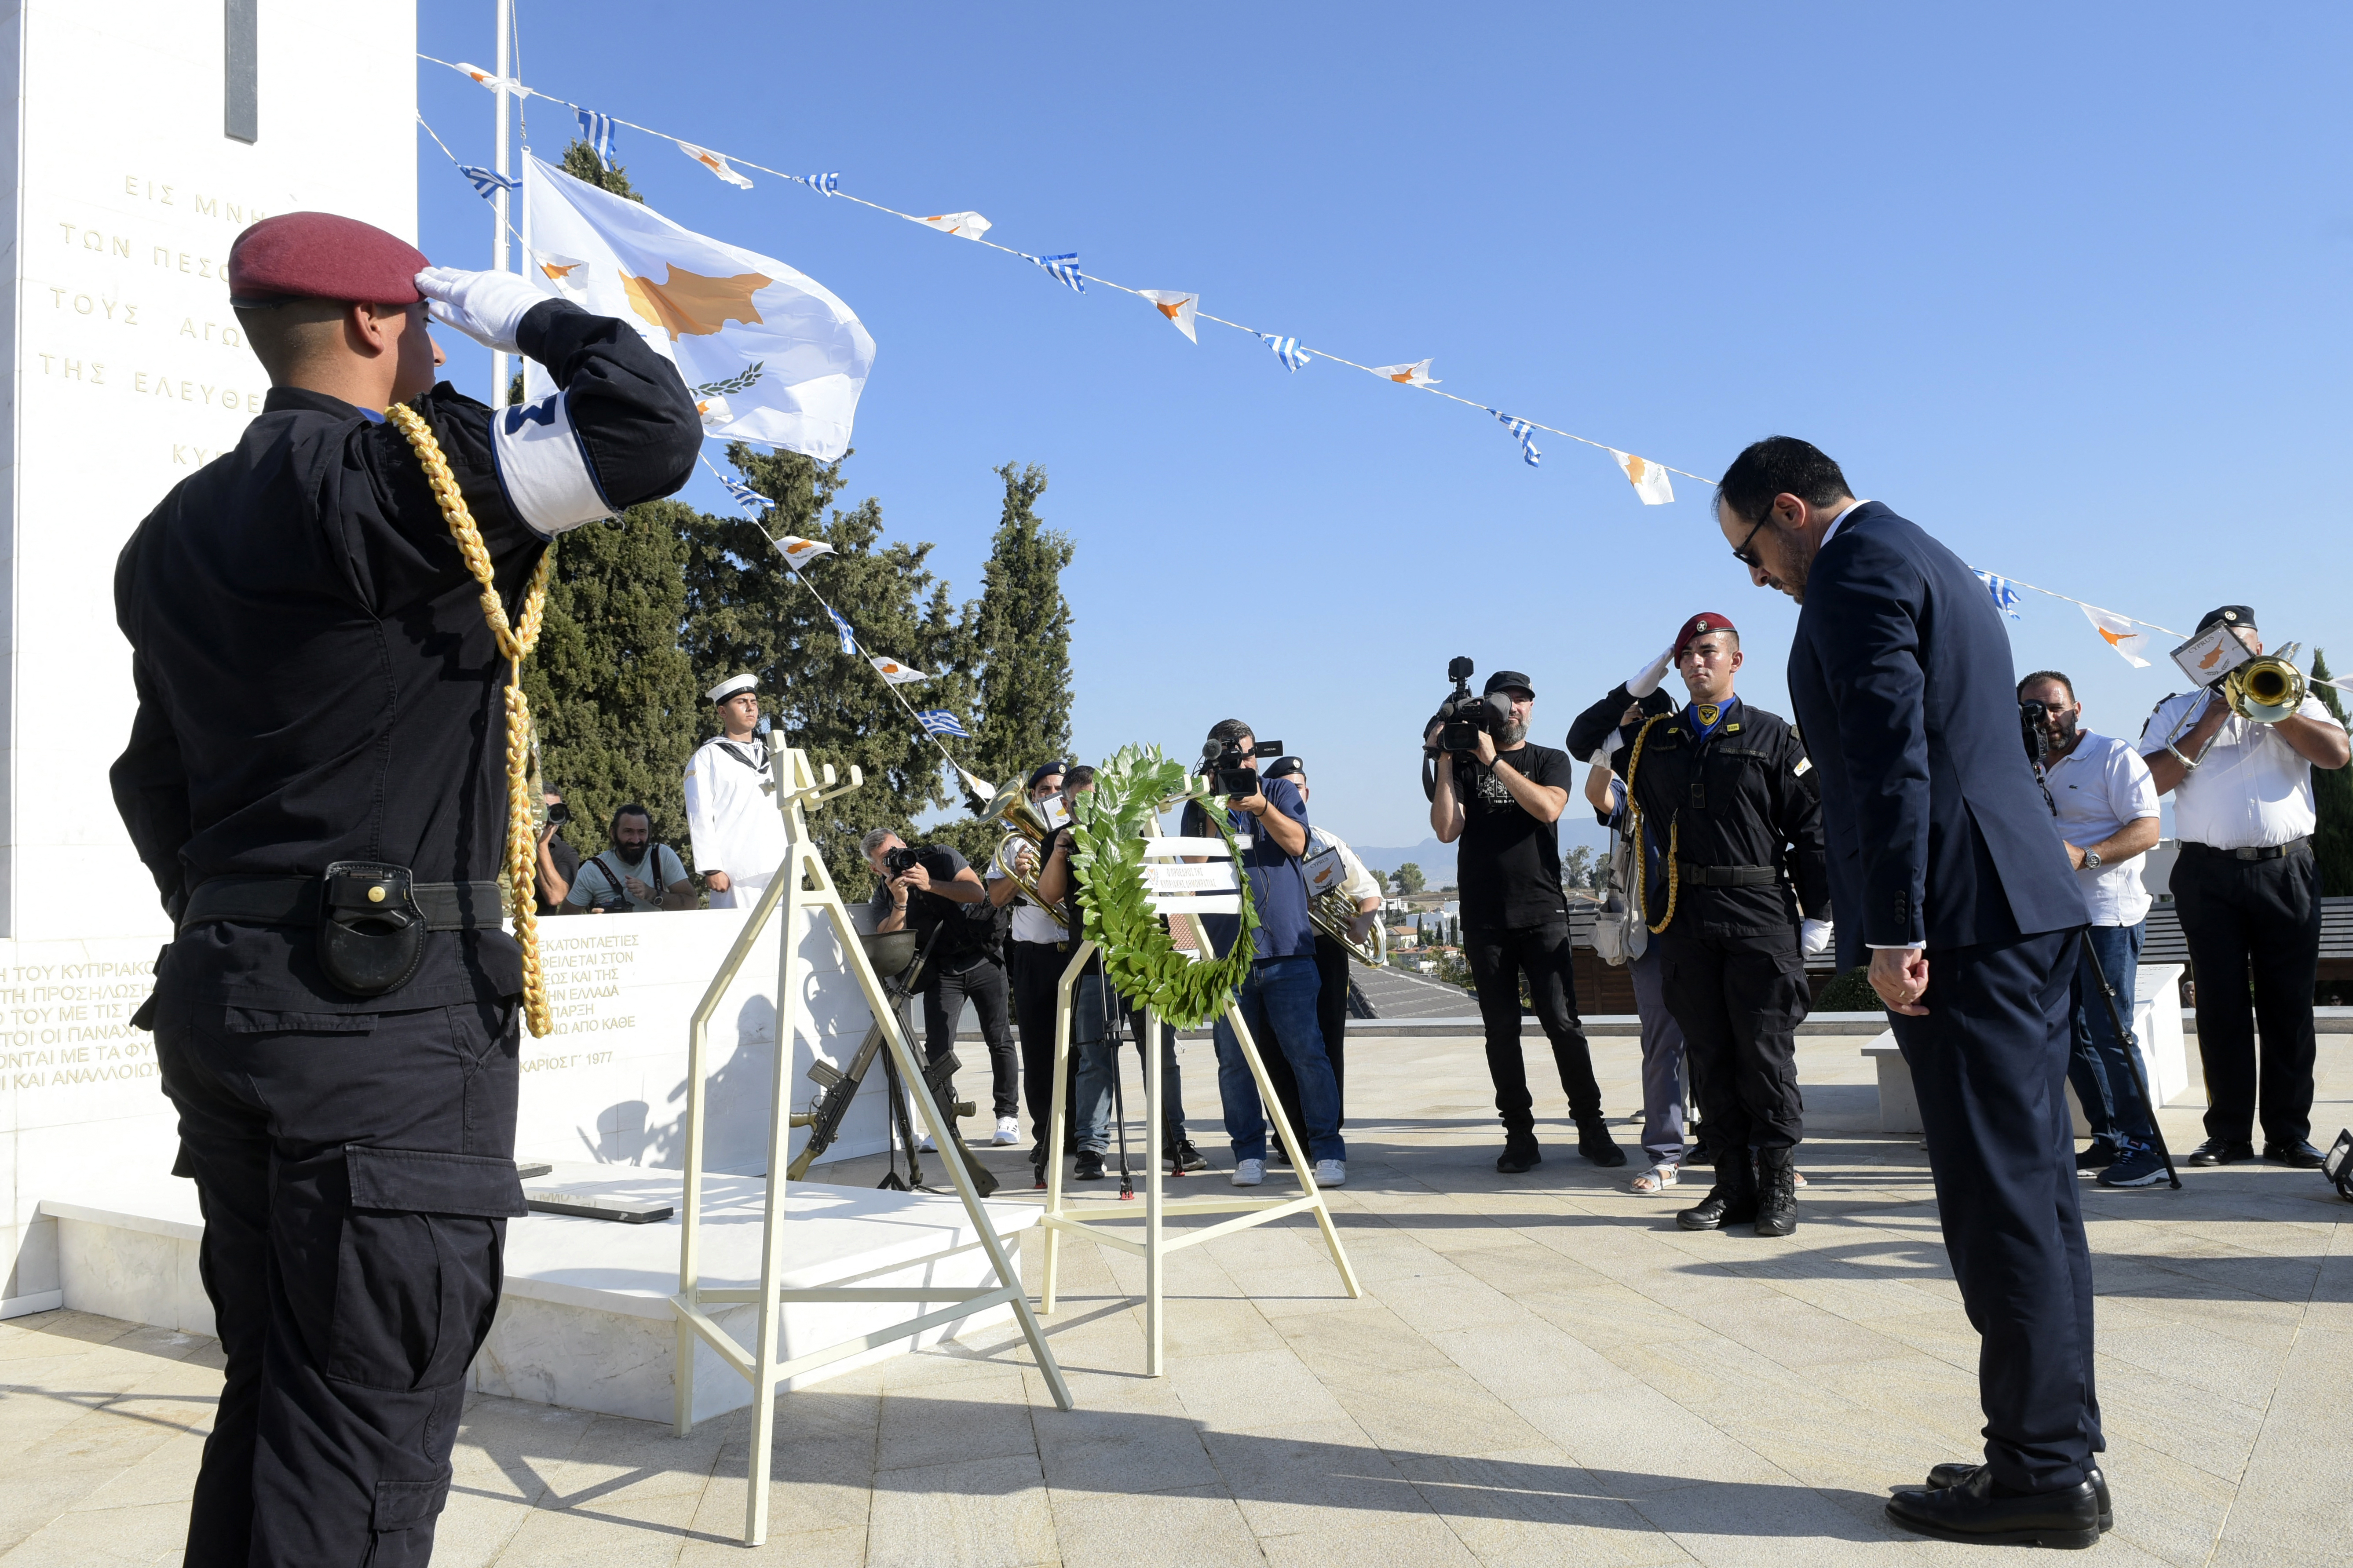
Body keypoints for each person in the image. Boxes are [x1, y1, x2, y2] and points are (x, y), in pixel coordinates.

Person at [110, 212, 699, 1565]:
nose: (442, 353)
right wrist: (524, 313)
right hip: (376, 1027)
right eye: (424, 323)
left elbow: (154, 781)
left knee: (275, 1403)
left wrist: (247, 924)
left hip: (231, 998)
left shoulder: (171, 535)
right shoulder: (396, 486)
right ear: (377, 323)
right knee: (366, 1432)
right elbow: (648, 430)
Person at [1722, 436, 2106, 1546]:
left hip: (1961, 917)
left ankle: (2040, 1469)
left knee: (1997, 1202)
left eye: (1751, 550)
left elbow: (1893, 755)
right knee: (2033, 1193)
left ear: (1789, 510)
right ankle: (2052, 1447)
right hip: (2015, 899)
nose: (1755, 577)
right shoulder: (1924, 550)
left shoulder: (1853, 568)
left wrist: (1891, 930)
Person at [1608, 615, 1829, 1236]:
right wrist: (1638, 682)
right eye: (1684, 656)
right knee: (1708, 1057)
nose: (1695, 664)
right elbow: (1585, 740)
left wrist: (1819, 913)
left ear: (1735, 661)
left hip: (1758, 911)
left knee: (1764, 1054)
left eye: (1707, 652)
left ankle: (1777, 1183)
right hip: (1684, 917)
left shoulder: (1774, 735)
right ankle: (1730, 1186)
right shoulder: (1656, 740)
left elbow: (1812, 828)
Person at [2138, 606, 2349, 1169]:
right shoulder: (2175, 710)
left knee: (2288, 1006)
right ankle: (2227, 1133)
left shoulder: (2294, 696)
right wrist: (2211, 716)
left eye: (2252, 648)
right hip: (2207, 874)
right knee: (2220, 1005)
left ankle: (2288, 1133)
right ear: (2210, 655)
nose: (2247, 659)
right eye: (2232, 650)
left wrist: (2272, 707)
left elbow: (2336, 754)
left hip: (2287, 870)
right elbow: (2145, 785)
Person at [1426, 671, 1622, 1173]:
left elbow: (1548, 807)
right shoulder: (1463, 765)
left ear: (1531, 709)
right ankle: (1519, 1135)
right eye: (1505, 701)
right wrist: (1447, 759)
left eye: (1521, 701)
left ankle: (1591, 1128)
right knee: (1500, 1030)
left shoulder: (1548, 760)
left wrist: (1492, 759)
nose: (1514, 709)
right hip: (1484, 917)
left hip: (1542, 913)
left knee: (1561, 1023)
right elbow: (1447, 829)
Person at [2019, 671, 2169, 1188]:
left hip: (2108, 913)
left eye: (2054, 706)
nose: (2047, 718)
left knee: (2111, 1031)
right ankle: (2108, 1135)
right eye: (2034, 709)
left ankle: (2145, 1146)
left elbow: (2148, 828)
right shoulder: (2023, 760)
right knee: (2065, 1030)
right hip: (2049, 917)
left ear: (2076, 706)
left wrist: (2087, 856)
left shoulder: (2113, 755)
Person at [1185, 720, 1346, 1189]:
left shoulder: (1277, 789)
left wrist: (1259, 805)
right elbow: (1193, 868)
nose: (1244, 764)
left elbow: (1297, 843)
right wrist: (1211, 802)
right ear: (1216, 759)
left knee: (1308, 1054)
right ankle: (1248, 1153)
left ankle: (1326, 1150)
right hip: (1228, 958)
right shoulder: (1201, 801)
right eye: (1234, 757)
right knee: (1234, 1062)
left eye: (1250, 754)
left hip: (1288, 950)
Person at [865, 829, 1018, 1147]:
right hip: (942, 969)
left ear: (906, 845)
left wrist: (930, 884)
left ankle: (1008, 1117)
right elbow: (887, 935)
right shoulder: (884, 894)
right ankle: (944, 1122)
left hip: (983, 958)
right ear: (875, 869)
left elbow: (977, 893)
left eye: (898, 851)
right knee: (938, 1050)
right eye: (886, 860)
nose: (896, 861)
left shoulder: (941, 856)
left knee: (999, 1039)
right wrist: (901, 902)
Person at [1257, 755, 1380, 1139]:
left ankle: (1327, 1129)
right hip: (1278, 949)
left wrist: (1363, 921)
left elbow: (1368, 891)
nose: (1295, 794)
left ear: (1307, 793)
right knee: (1276, 1045)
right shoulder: (1258, 843)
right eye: (1286, 788)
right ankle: (1286, 1132)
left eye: (1300, 787)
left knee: (1327, 1041)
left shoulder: (1327, 841)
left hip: (1326, 950)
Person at [991, 760, 1075, 1156]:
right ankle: (1047, 1137)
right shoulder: (1014, 842)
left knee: (1081, 1048)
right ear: (1034, 796)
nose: (1051, 796)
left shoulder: (1081, 835)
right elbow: (994, 897)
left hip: (1076, 953)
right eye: (1043, 790)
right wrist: (1015, 874)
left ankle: (1082, 1133)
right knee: (1040, 1052)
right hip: (1034, 957)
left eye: (1060, 789)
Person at [684, 674, 787, 910]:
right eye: (742, 702)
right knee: (740, 940)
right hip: (737, 870)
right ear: (723, 712)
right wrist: (712, 867)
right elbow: (699, 815)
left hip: (780, 862)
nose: (751, 708)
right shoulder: (708, 756)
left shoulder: (773, 755)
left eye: (754, 702)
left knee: (784, 939)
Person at [564, 804, 697, 913]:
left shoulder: (662, 856)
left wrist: (653, 895)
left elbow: (693, 904)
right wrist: (591, 924)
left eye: (642, 832)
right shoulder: (593, 869)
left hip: (659, 939)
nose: (636, 840)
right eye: (628, 832)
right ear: (613, 833)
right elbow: (564, 920)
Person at [535, 789, 578, 916]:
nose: (548, 817)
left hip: (540, 929)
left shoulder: (565, 853)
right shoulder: (508, 843)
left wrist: (541, 845)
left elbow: (555, 897)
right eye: (543, 810)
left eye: (555, 811)